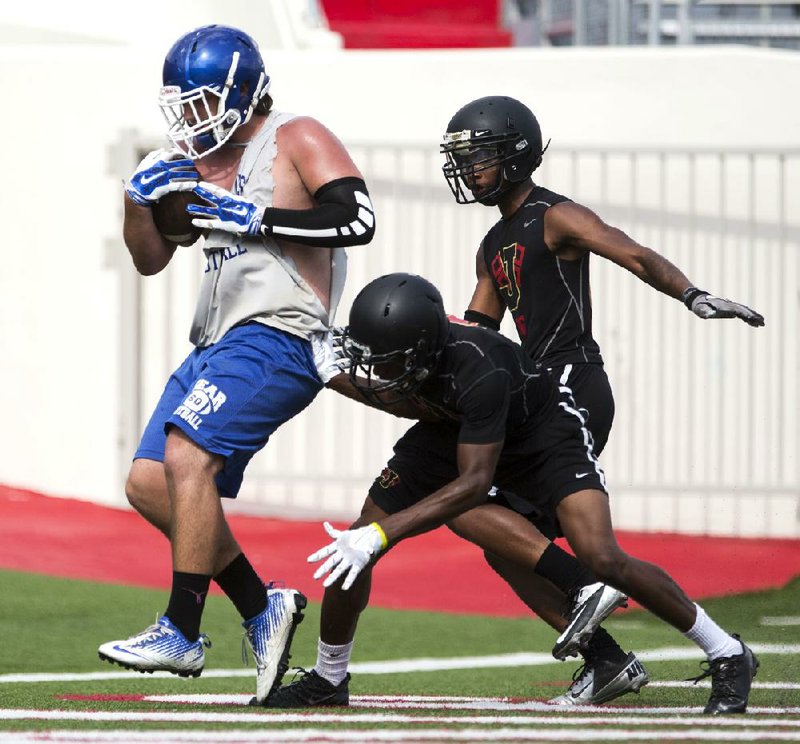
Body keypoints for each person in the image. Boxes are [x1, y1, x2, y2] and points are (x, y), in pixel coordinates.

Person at [269, 272, 758, 716]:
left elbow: (474, 482)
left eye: (388, 360)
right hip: (449, 429)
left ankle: (726, 652)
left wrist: (383, 533)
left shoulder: (481, 369)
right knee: (356, 546)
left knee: (603, 557)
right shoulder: (423, 358)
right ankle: (329, 678)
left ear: (422, 352)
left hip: (541, 436)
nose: (376, 369)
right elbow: (405, 398)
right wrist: (330, 373)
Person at [433, 95, 765, 700]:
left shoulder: (554, 215)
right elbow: (480, 334)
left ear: (514, 155)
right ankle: (606, 661)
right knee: (499, 539)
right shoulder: (492, 243)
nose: (467, 169)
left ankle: (725, 653)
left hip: (573, 389)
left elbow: (629, 250)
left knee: (598, 556)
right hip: (539, 398)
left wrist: (693, 294)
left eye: (477, 156)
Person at [97, 24, 375, 705]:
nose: (191, 118)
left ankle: (183, 629)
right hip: (216, 339)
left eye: (201, 102)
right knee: (147, 482)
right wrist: (136, 199)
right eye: (182, 104)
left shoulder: (296, 134)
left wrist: (256, 217)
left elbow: (357, 216)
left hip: (281, 328)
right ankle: (260, 605)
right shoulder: (193, 162)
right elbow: (151, 256)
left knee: (190, 456)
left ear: (242, 91)